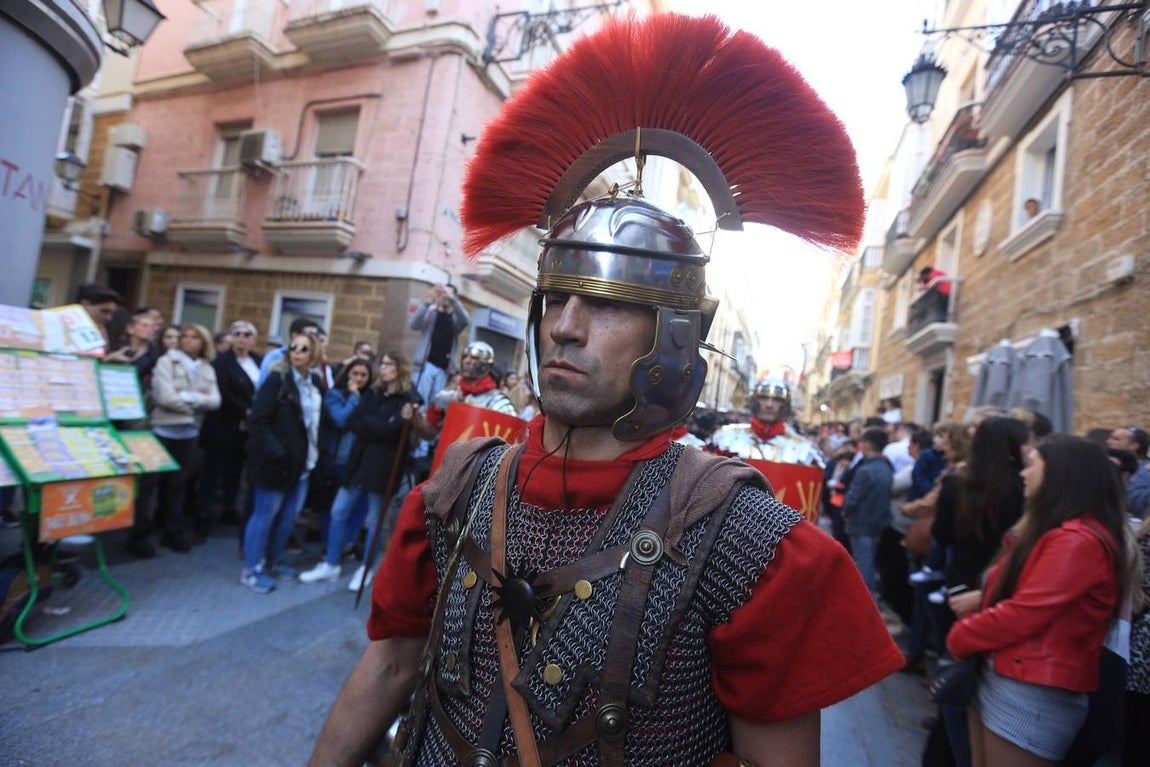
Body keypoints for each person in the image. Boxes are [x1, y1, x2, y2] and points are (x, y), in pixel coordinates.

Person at [310, 14, 902, 765]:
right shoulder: (456, 486)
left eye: (611, 304)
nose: (567, 325)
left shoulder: (750, 541)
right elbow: (391, 665)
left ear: (675, 334)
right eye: (556, 299)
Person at [947, 436, 1131, 766]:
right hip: (1007, 674)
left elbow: (1023, 614)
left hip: (1031, 689)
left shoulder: (1076, 541)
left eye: (1033, 464)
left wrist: (960, 637)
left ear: (1062, 474)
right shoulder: (1055, 531)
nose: (1023, 473)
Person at [300, 352, 434, 590]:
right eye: (381, 363)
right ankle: (331, 563)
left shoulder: (408, 399)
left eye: (388, 364)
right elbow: (354, 421)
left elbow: (391, 432)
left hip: (383, 466)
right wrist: (379, 427)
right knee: (338, 511)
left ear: (399, 368)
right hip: (358, 462)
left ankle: (366, 567)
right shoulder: (372, 393)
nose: (382, 368)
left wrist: (375, 426)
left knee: (375, 521)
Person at [242, 332, 323, 594]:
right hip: (275, 463)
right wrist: (276, 450)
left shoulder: (314, 383)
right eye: (294, 347)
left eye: (304, 348)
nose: (297, 351)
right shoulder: (277, 379)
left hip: (303, 464)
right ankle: (252, 569)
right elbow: (259, 420)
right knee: (264, 516)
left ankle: (272, 561)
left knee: (287, 519)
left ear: (314, 354)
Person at [150, 323, 221, 552]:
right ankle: (147, 530)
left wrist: (187, 397)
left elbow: (215, 401)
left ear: (203, 342)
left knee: (178, 483)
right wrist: (196, 403)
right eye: (185, 336)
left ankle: (172, 530)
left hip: (189, 431)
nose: (188, 341)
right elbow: (165, 397)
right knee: (154, 484)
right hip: (164, 427)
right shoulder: (166, 361)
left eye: (195, 337)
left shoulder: (206, 367)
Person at [198, 320, 262, 532]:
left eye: (247, 334)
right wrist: (247, 410)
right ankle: (203, 515)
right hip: (223, 424)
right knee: (212, 470)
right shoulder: (221, 362)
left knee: (235, 469)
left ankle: (229, 507)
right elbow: (223, 391)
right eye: (237, 334)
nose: (242, 338)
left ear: (253, 339)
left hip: (247, 429)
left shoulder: (258, 362)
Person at [709, 378, 824, 466]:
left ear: (784, 405)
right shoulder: (725, 437)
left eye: (777, 399)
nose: (769, 404)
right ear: (755, 401)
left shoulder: (802, 448)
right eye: (763, 398)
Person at [842, 427, 893, 598]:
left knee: (864, 565)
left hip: (862, 524)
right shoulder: (886, 467)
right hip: (878, 522)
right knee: (868, 562)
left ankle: (866, 599)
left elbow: (853, 499)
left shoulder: (865, 470)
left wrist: (845, 511)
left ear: (867, 444)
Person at [410, 283, 469, 406]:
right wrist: (428, 302)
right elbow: (413, 324)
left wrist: (452, 299)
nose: (445, 297)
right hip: (426, 365)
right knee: (420, 402)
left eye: (448, 294)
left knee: (435, 405)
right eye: (443, 293)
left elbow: (465, 320)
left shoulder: (455, 320)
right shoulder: (430, 313)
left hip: (443, 369)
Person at [1107, 425, 1150, 519]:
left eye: (1116, 439)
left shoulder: (1145, 473)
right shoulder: (1112, 466)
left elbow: (1139, 505)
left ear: (1134, 446)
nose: (1108, 442)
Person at [74, 282, 122, 351]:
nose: (109, 318)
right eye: (104, 311)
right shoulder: (58, 329)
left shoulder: (111, 331)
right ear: (85, 305)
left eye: (112, 313)